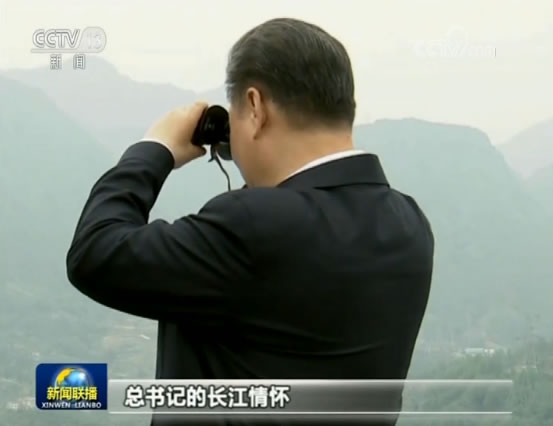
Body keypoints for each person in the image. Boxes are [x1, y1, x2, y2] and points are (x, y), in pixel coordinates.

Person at [66, 17, 434, 426]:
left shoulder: (252, 225)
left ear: (256, 107)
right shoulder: (410, 226)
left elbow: (95, 253)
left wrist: (155, 148)